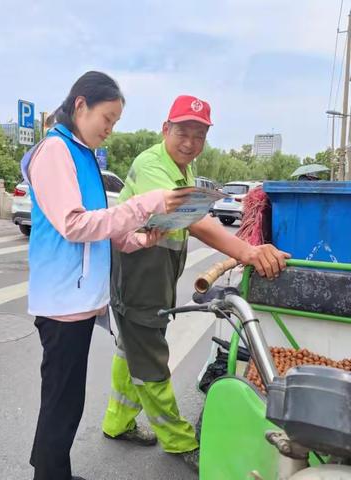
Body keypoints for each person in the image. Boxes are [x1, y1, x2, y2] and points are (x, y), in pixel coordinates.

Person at [21, 72, 196, 480]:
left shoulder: (81, 153)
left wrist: (138, 239)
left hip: (79, 300)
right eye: (108, 118)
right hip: (61, 300)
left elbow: (101, 231)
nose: (110, 129)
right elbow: (74, 225)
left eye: (115, 122)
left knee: (65, 401)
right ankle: (49, 475)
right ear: (80, 105)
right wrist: (143, 204)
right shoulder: (55, 151)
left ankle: (52, 471)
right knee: (61, 402)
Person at [101, 95, 291, 471]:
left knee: (133, 344)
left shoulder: (182, 168)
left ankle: (117, 420)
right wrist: (248, 252)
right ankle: (179, 440)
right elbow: (195, 220)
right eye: (183, 132)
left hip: (156, 266)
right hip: (139, 267)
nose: (190, 142)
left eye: (199, 135)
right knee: (150, 353)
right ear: (165, 129)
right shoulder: (152, 163)